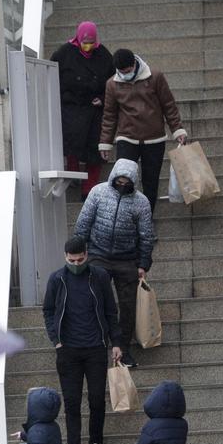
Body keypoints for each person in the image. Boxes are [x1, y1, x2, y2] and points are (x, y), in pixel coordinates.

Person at [43, 236, 124, 444]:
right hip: (67, 349)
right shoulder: (57, 278)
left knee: (97, 398)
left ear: (86, 255)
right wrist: (55, 339)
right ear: (65, 257)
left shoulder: (99, 277)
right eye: (71, 260)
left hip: (96, 347)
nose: (76, 263)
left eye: (80, 259)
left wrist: (116, 342)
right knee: (71, 402)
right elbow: (48, 310)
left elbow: (111, 310)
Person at [74, 158, 154, 369]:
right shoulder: (98, 192)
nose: (121, 184)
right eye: (118, 180)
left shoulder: (141, 202)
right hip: (98, 253)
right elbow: (83, 223)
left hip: (127, 258)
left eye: (126, 181)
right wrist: (79, 253)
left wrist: (143, 264)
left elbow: (146, 235)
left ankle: (123, 348)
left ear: (133, 181)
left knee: (128, 305)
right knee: (95, 299)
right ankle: (96, 343)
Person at [99, 48, 188, 210]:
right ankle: (125, 218)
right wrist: (105, 142)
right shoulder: (112, 84)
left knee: (151, 181)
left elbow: (169, 105)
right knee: (123, 179)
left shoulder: (155, 77)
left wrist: (178, 130)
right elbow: (110, 115)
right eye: (122, 71)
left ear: (134, 63)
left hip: (154, 138)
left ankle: (146, 218)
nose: (126, 73)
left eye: (128, 70)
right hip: (127, 137)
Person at [51, 21, 116, 201]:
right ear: (78, 39)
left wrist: (102, 99)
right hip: (71, 107)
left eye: (91, 43)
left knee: (95, 148)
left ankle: (89, 189)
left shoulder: (103, 55)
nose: (88, 46)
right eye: (85, 42)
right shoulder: (64, 54)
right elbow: (51, 77)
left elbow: (113, 83)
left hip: (94, 109)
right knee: (73, 142)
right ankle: (73, 174)